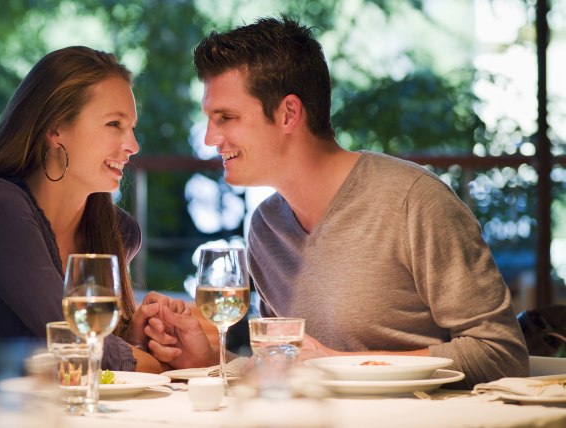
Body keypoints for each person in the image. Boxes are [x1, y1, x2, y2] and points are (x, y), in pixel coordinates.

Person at [150, 15, 529, 387]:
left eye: (226, 117)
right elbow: (290, 368)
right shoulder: (266, 227)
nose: (209, 139)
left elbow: (501, 353)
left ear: (288, 114)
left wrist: (337, 363)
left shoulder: (414, 202)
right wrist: (211, 359)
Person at [0, 46, 183, 389]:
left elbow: (93, 358)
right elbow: (71, 342)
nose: (133, 144)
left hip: (34, 412)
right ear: (56, 128)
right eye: (114, 124)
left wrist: (135, 337)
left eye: (132, 127)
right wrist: (156, 364)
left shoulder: (117, 232)